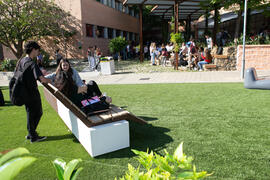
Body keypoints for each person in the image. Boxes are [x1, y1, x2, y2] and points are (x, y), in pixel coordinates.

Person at [16, 41, 51, 143]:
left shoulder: (22, 61)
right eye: (37, 50)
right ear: (33, 49)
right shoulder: (31, 63)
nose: (38, 52)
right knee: (37, 113)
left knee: (30, 114)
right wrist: (53, 80)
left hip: (24, 93)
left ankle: (31, 133)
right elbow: (42, 80)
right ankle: (33, 136)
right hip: (31, 93)